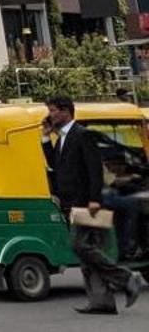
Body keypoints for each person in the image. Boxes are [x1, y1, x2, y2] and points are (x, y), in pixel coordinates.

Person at [47, 95, 145, 314]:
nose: (50, 115)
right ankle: (102, 301)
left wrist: (94, 199)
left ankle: (128, 278)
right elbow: (55, 165)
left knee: (79, 245)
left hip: (86, 203)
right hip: (70, 203)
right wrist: (45, 139)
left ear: (65, 111)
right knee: (86, 254)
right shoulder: (61, 138)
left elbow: (94, 170)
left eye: (53, 110)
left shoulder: (82, 135)